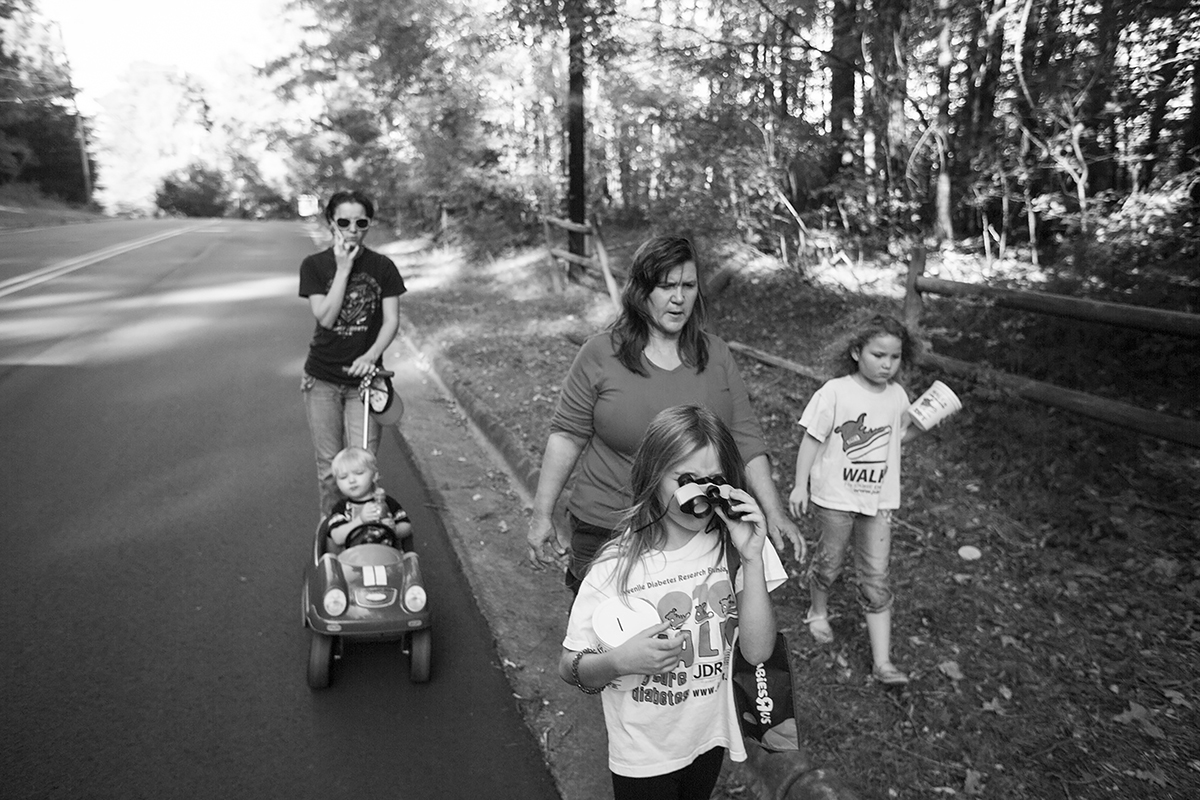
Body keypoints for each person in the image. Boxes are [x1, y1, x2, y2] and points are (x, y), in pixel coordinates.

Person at [526, 234, 804, 594]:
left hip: (697, 528)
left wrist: (774, 511)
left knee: (685, 641)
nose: (678, 298)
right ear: (641, 292)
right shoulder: (599, 354)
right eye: (666, 286)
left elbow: (745, 437)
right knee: (603, 642)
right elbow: (567, 435)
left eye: (688, 285)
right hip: (607, 527)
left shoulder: (716, 355)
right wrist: (541, 515)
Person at [560, 405, 787, 800]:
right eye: (686, 480)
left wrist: (751, 558)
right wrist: (619, 662)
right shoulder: (616, 567)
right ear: (652, 476)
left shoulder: (738, 547)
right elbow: (569, 666)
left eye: (714, 480)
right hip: (644, 750)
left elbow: (758, 650)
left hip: (707, 736)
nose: (702, 493)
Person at [787, 313, 924, 686]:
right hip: (835, 496)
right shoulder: (834, 392)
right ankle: (817, 612)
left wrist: (922, 424)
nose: (887, 364)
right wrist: (801, 485)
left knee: (876, 575)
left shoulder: (897, 396)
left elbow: (892, 439)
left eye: (894, 358)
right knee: (830, 561)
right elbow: (812, 438)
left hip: (878, 499)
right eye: (878, 355)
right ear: (855, 352)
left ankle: (883, 662)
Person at [299, 190, 405, 514]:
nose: (353, 229)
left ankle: (368, 533)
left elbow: (391, 321)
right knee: (332, 471)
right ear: (331, 223)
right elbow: (326, 317)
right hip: (323, 380)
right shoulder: (315, 265)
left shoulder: (383, 266)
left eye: (361, 221)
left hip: (366, 384)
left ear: (369, 223)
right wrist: (343, 269)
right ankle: (335, 534)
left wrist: (371, 356)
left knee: (363, 467)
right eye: (344, 221)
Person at [323, 446, 413, 551]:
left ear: (374, 476)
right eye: (343, 477)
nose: (351, 480)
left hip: (388, 558)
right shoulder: (341, 508)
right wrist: (360, 520)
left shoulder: (386, 503)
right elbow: (337, 538)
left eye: (359, 473)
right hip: (352, 561)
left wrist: (395, 529)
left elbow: (407, 527)